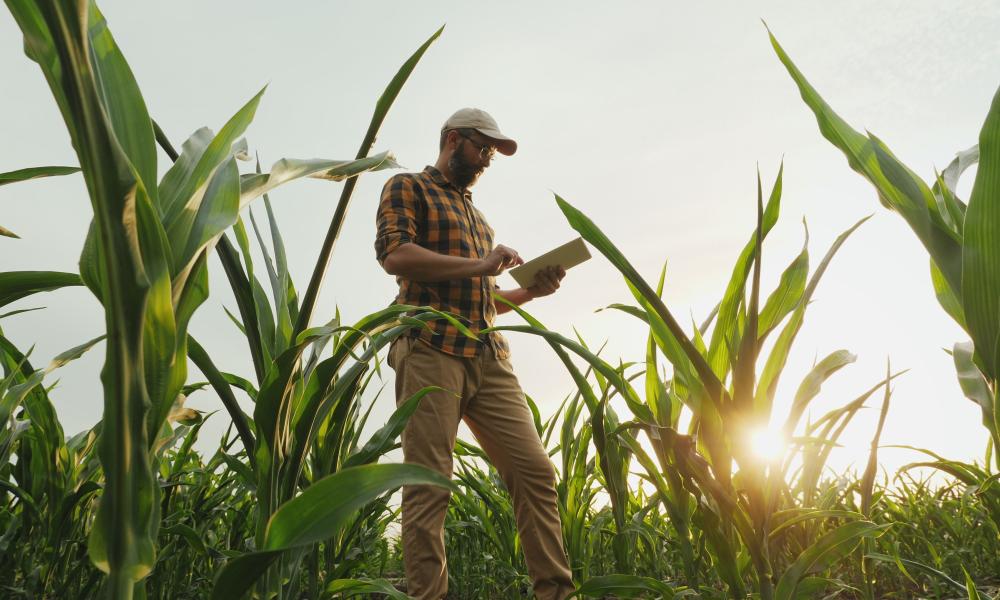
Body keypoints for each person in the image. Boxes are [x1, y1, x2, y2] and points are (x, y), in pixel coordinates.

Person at [375, 107, 574, 600]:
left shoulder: (479, 220)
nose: (487, 158)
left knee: (535, 472)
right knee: (429, 483)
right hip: (430, 348)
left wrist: (531, 292)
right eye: (481, 147)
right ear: (452, 139)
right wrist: (480, 264)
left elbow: (484, 296)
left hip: (488, 354)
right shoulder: (407, 187)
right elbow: (395, 255)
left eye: (492, 151)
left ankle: (556, 593)